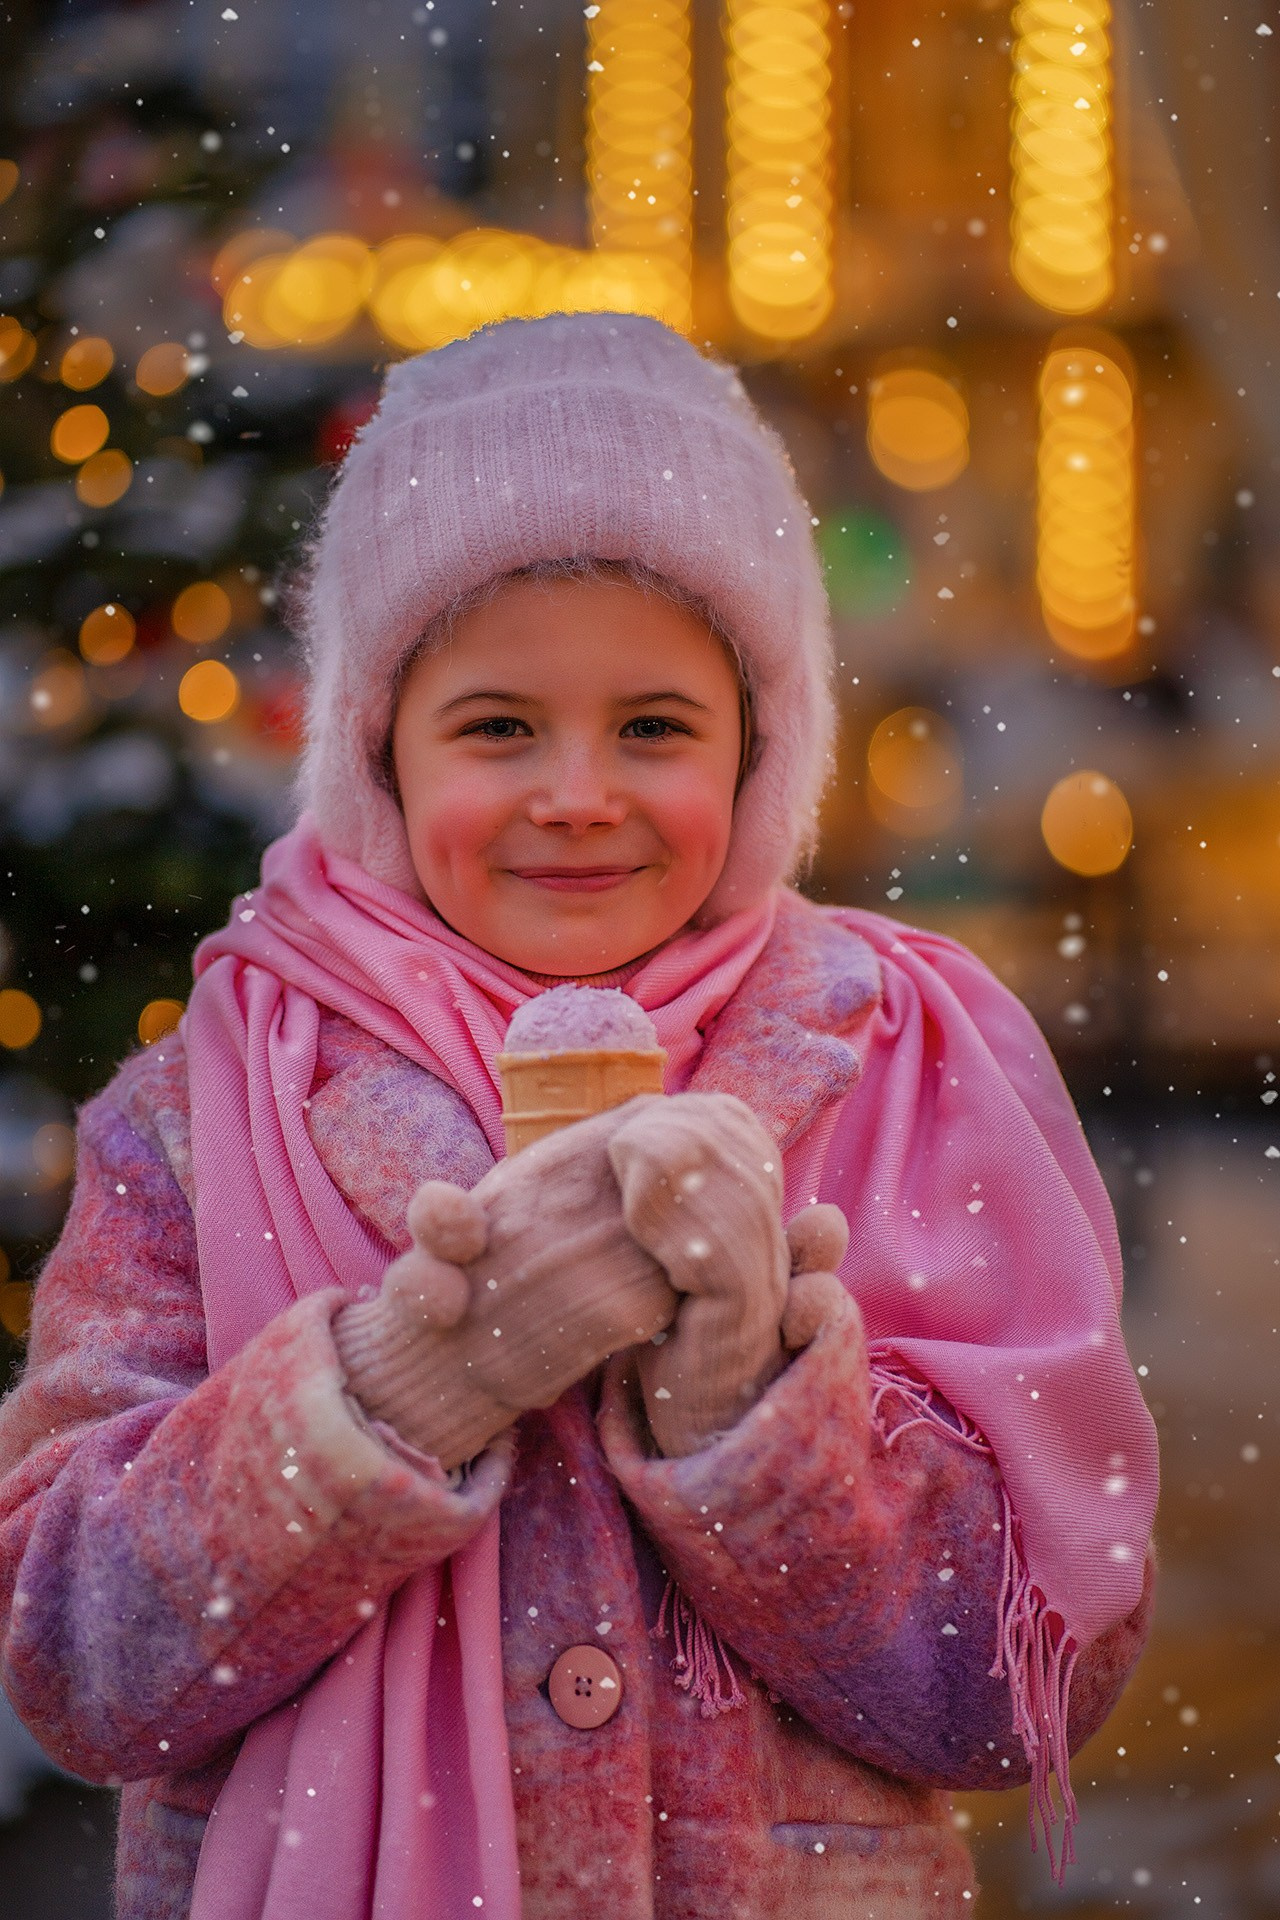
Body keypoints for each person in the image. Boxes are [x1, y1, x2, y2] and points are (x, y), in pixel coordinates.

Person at [0, 313, 1157, 1920]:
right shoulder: (205, 1107)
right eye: (496, 726)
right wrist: (405, 1384)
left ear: (760, 748)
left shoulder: (902, 1066)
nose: (577, 793)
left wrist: (749, 1408)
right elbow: (76, 1661)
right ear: (378, 750)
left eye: (655, 726)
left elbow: (1013, 1684)